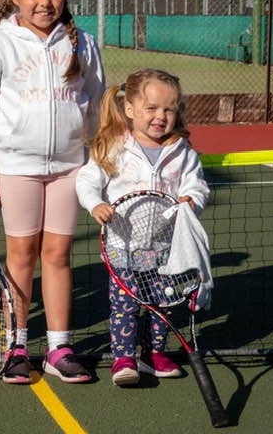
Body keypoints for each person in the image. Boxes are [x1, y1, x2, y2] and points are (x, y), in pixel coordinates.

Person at [0, 0, 106, 385]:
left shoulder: (83, 43)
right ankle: (17, 343)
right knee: (21, 256)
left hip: (71, 168)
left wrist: (99, 162)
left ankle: (59, 346)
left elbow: (98, 105)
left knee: (58, 255)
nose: (45, 3)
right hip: (16, 167)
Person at [75, 68, 209, 386]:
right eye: (151, 108)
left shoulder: (183, 153)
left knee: (162, 302)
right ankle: (124, 357)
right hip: (122, 246)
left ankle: (153, 353)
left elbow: (198, 186)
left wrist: (192, 199)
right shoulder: (114, 146)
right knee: (125, 305)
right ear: (130, 110)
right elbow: (87, 179)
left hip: (166, 247)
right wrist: (95, 203)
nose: (160, 116)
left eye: (168, 109)